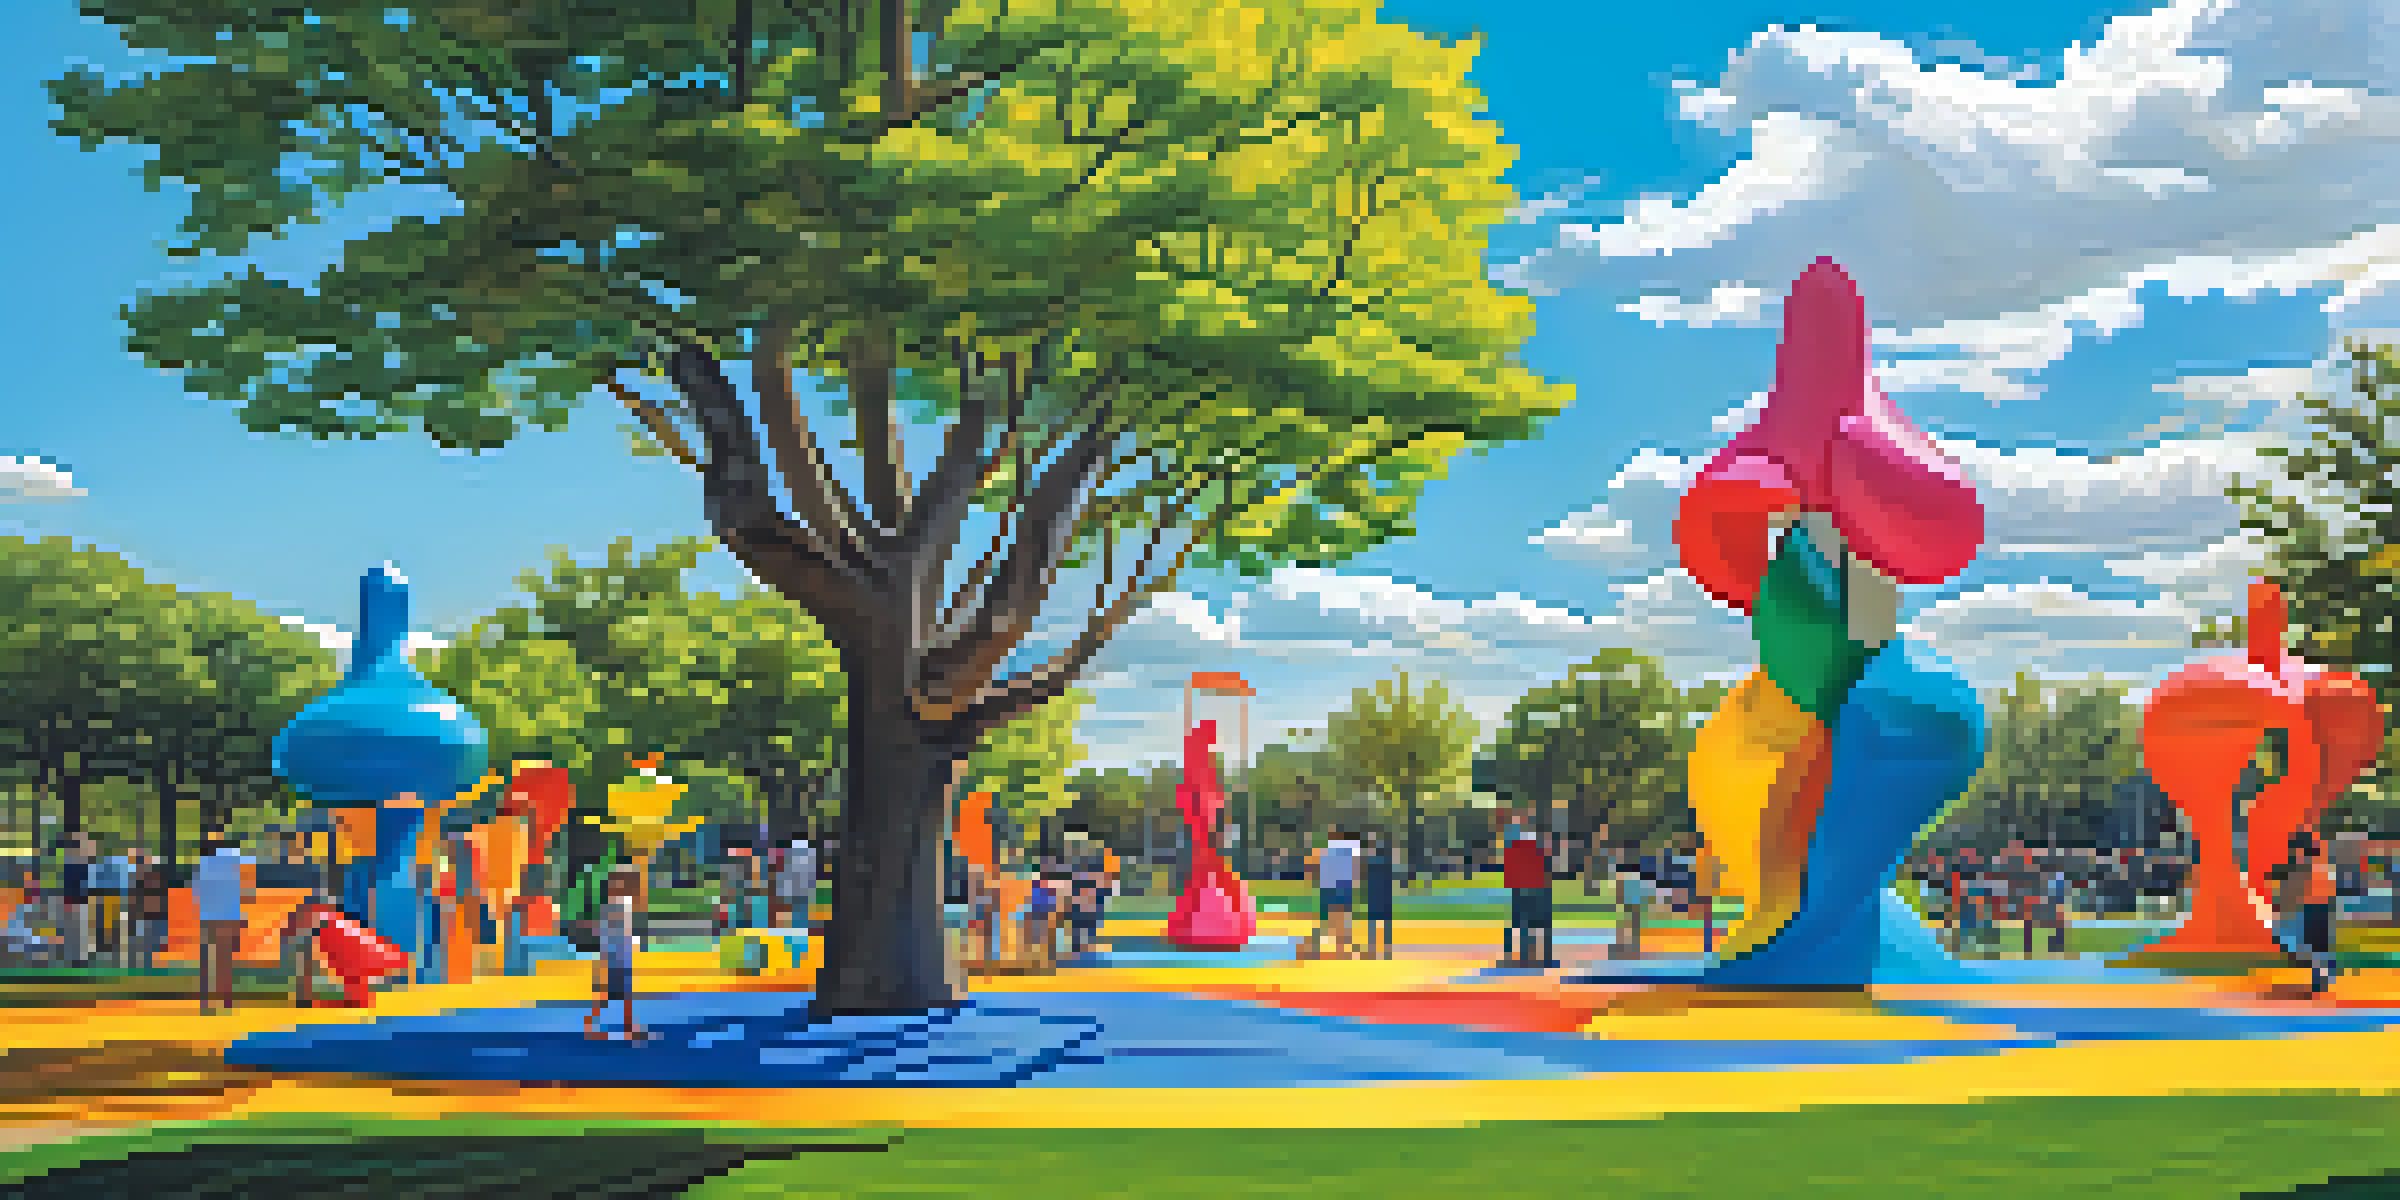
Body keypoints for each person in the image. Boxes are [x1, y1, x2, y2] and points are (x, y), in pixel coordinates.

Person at [192, 833, 256, 1013]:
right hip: (229, 917)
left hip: (208, 918)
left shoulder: (203, 864)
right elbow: (246, 891)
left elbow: (197, 894)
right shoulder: (234, 861)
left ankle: (206, 1001)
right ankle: (226, 1001)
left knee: (207, 960)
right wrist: (243, 915)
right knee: (225, 961)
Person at [2270, 832, 2340, 995]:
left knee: (2318, 946)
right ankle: (2323, 978)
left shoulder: (2313, 866)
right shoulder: (2308, 867)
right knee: (2316, 946)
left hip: (2317, 907)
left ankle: (2322, 979)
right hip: (2312, 907)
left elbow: (2326, 887)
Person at [586, 866, 644, 1040]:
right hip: (614, 954)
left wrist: (634, 943)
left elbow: (628, 929)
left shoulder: (625, 903)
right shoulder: (611, 906)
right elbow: (604, 931)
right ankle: (593, 1024)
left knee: (624, 993)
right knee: (606, 991)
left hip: (623, 954)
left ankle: (627, 1026)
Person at [1503, 826, 1552, 967]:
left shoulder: (1515, 845)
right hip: (1536, 887)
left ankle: (1526, 957)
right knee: (1536, 924)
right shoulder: (1540, 844)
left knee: (1523, 923)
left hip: (1525, 888)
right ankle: (1543, 957)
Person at [1306, 829, 1359, 959]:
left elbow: (1312, 864)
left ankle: (1327, 946)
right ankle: (1340, 947)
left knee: (1330, 917)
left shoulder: (1328, 850)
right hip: (1341, 887)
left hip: (1331, 887)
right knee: (1340, 917)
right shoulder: (1350, 848)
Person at [129, 850, 169, 972]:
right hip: (148, 917)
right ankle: (147, 966)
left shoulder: (153, 877)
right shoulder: (139, 879)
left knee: (153, 944)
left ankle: (154, 966)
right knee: (146, 944)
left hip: (155, 917)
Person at [1360, 832, 1396, 960]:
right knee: (1381, 921)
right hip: (1380, 894)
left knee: (1377, 921)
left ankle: (1377, 948)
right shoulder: (1385, 859)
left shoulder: (1372, 860)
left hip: (1378, 894)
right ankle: (1383, 948)